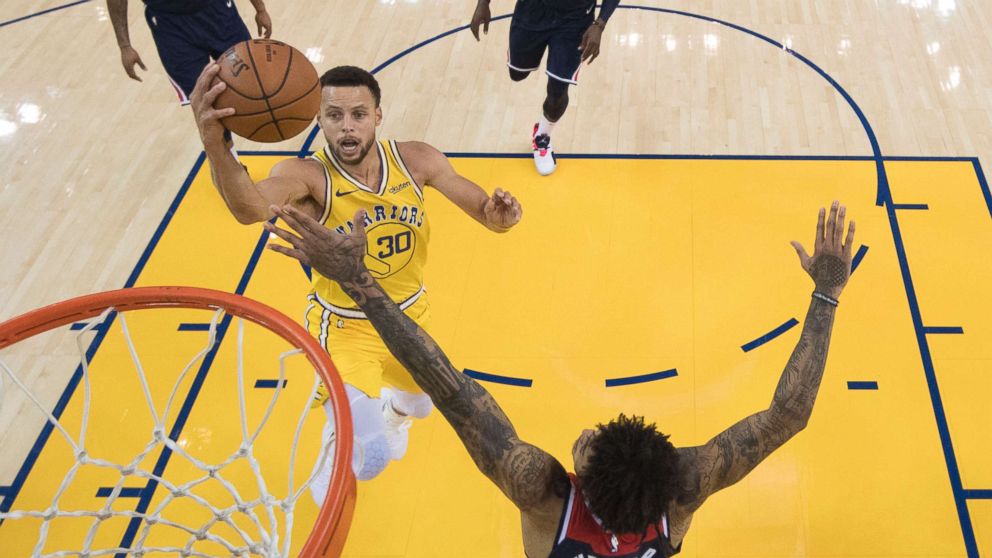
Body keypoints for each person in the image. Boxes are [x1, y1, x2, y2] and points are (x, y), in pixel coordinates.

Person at [264, 200, 856, 556]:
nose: (585, 436)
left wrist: (359, 283)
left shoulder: (542, 490)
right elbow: (788, 414)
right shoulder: (682, 488)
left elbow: (446, 386)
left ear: (582, 478)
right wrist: (826, 293)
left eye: (588, 445)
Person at [188, 64, 523, 482]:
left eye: (359, 115)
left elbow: (488, 215)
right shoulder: (307, 177)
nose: (347, 128)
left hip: (408, 315)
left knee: (419, 404)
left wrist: (501, 216)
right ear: (318, 118)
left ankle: (391, 414)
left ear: (378, 116)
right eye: (334, 116)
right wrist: (215, 145)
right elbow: (248, 208)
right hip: (345, 328)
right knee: (371, 458)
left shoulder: (416, 159)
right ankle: (331, 461)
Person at [470, 0, 620, 176]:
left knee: (558, 90)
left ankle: (542, 135)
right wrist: (483, 4)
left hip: (575, 20)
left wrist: (600, 25)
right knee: (517, 73)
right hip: (532, 10)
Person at [107, 0, 272, 105]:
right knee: (202, 100)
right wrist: (125, 46)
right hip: (170, 25)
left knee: (255, 82)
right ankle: (229, 158)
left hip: (217, 11)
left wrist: (260, 8)